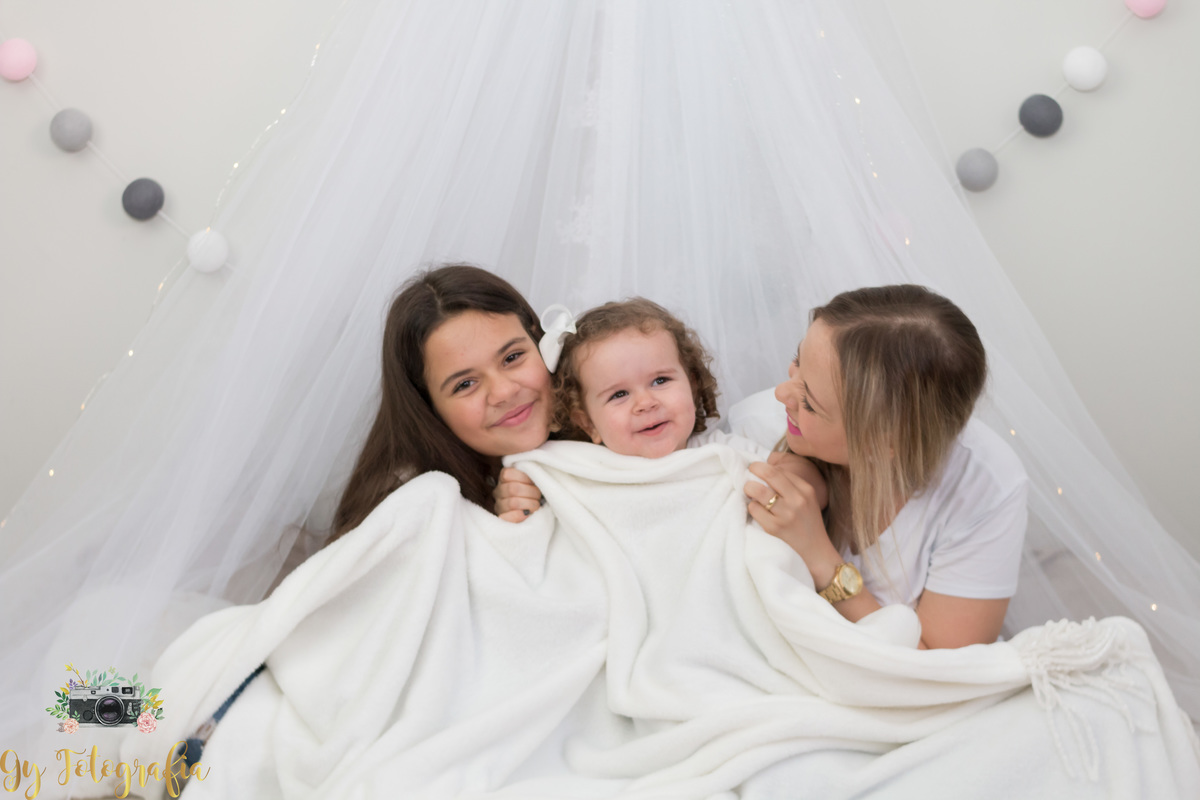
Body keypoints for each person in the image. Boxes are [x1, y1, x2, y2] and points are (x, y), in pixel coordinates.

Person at [744, 285, 1028, 650]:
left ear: (884, 443)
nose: (782, 393)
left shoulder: (986, 485)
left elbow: (942, 667)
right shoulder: (755, 426)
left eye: (810, 403)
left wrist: (819, 556)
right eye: (797, 360)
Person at [496, 297, 827, 510]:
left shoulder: (717, 449)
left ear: (692, 384)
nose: (645, 402)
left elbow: (805, 482)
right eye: (619, 395)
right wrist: (515, 496)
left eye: (660, 381)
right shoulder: (579, 466)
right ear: (588, 424)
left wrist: (797, 482)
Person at [333, 263, 555, 538]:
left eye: (512, 357)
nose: (504, 392)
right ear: (428, 406)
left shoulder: (612, 416)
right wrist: (501, 538)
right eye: (465, 384)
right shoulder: (407, 515)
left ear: (538, 339)